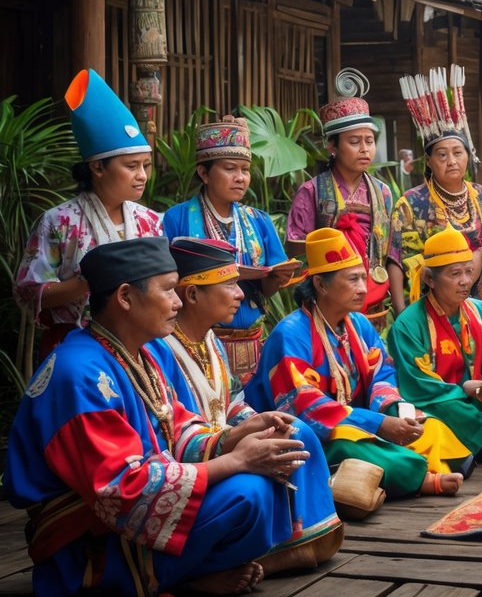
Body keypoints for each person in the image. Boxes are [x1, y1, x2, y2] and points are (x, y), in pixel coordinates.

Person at [6, 238, 310, 595]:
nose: (179, 301)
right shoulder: (79, 373)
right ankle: (151, 578)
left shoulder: (138, 353)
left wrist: (236, 435)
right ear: (124, 297)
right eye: (168, 289)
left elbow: (176, 427)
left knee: (269, 475)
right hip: (85, 539)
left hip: (130, 509)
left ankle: (187, 575)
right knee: (249, 494)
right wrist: (238, 461)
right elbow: (122, 489)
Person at [147, 237, 342, 572]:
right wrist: (235, 440)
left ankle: (298, 536)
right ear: (192, 294)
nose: (241, 294)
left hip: (221, 442)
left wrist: (261, 421)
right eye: (230, 284)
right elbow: (167, 432)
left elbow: (232, 402)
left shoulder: (210, 340)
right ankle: (275, 545)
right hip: (194, 459)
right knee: (275, 454)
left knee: (295, 431)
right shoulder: (159, 350)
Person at [245, 227, 471, 514]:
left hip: (359, 420)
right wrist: (378, 425)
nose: (364, 288)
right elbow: (306, 408)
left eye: (363, 278)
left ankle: (417, 463)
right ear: (321, 285)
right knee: (352, 446)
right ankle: (421, 478)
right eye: (353, 279)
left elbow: (383, 374)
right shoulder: (290, 334)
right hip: (313, 436)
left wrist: (395, 412)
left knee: (429, 424)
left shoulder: (359, 325)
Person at [15, 69, 161, 354]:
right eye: (131, 166)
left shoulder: (150, 221)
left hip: (141, 346)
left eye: (146, 164)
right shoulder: (58, 222)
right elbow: (29, 292)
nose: (142, 175)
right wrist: (87, 282)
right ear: (97, 167)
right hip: (75, 346)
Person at [161, 116, 299, 382]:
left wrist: (277, 277)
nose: (240, 178)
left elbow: (267, 290)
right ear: (204, 173)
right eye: (230, 168)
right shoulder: (176, 218)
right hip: (199, 341)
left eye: (245, 170)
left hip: (253, 339)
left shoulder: (259, 220)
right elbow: (168, 282)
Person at [387, 227, 482, 464]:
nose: (465, 281)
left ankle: (471, 441)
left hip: (477, 401)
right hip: (441, 402)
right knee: (441, 412)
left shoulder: (481, 311)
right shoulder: (408, 325)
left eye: (469, 272)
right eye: (455, 274)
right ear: (429, 279)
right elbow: (421, 389)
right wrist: (467, 389)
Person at [389, 72, 482, 316]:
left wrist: (476, 258)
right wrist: (402, 313)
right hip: (428, 306)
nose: (451, 161)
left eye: (458, 152)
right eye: (442, 155)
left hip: (480, 305)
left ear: (468, 156)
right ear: (429, 161)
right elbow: (396, 258)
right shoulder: (410, 203)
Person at [287, 93, 396, 326]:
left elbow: (391, 249)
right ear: (332, 146)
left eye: (369, 141)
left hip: (373, 297)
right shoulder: (312, 191)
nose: (365, 149)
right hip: (327, 302)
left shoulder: (383, 193)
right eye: (354, 142)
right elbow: (296, 248)